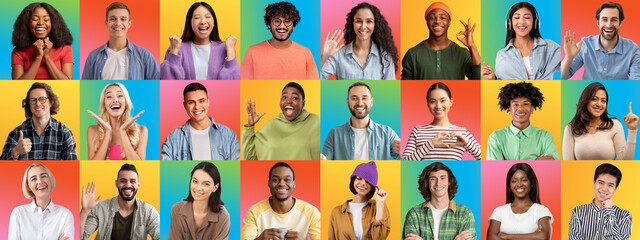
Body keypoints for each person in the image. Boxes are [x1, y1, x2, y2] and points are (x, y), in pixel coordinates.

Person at [240, 162, 321, 240]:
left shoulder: (311, 212)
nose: (281, 184)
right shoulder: (254, 212)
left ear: (294, 184)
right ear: (269, 183)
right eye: (275, 180)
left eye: (287, 179)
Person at [160, 2, 240, 80]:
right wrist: (174, 50)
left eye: (208, 17)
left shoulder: (225, 48)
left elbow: (234, 82)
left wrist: (230, 50)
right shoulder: (177, 47)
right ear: (189, 22)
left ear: (214, 22)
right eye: (197, 18)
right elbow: (167, 81)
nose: (203, 22)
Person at [401, 1, 480, 80]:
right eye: (432, 18)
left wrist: (472, 46)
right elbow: (405, 88)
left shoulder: (462, 53)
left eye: (442, 18)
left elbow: (478, 80)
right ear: (427, 22)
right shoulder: (413, 54)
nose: (437, 21)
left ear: (449, 22)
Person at [481, 2, 560, 80]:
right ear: (509, 23)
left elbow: (568, 70)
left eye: (527, 17)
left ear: (535, 22)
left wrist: (570, 56)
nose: (521, 22)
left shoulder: (549, 47)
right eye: (516, 18)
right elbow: (501, 86)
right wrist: (492, 78)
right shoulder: (502, 55)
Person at [561, 2, 640, 80]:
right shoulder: (585, 44)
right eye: (604, 19)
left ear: (620, 23)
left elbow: (636, 81)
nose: (609, 25)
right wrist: (568, 57)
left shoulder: (632, 49)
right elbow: (561, 77)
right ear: (598, 23)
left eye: (614, 20)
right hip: (589, 92)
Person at [322, 82, 401, 160]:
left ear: (371, 102)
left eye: (364, 98)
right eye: (354, 98)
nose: (360, 103)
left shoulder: (387, 133)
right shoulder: (334, 134)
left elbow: (404, 158)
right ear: (347, 102)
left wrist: (405, 151)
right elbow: (325, 163)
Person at [240, 1, 319, 80]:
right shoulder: (253, 51)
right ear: (269, 24)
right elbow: (243, 86)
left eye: (287, 21)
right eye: (277, 21)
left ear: (293, 25)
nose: (282, 26)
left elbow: (313, 87)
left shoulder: (305, 53)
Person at [80, 163, 160, 240]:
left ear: (138, 185)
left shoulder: (149, 211)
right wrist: (85, 211)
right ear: (116, 183)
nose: (128, 185)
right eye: (123, 181)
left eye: (132, 181)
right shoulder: (100, 208)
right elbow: (80, 237)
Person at [402, 82, 481, 160]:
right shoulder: (418, 131)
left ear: (451, 102)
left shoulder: (462, 132)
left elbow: (487, 158)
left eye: (443, 100)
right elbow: (404, 162)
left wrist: (467, 144)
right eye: (433, 101)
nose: (438, 106)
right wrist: (431, 143)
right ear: (427, 104)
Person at [82, 2, 160, 80]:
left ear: (129, 23)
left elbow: (158, 87)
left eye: (123, 19)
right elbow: (85, 88)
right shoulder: (93, 56)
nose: (118, 23)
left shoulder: (145, 56)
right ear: (106, 23)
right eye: (113, 19)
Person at [162, 82, 240, 160]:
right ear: (185, 105)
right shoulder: (173, 138)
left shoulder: (228, 135)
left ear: (208, 102)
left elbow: (236, 169)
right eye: (191, 102)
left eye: (201, 101)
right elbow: (167, 170)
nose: (197, 107)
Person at [320, 2, 398, 80]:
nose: (363, 27)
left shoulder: (385, 56)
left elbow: (391, 91)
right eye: (359, 21)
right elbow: (314, 82)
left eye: (369, 21)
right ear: (352, 24)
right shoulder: (338, 55)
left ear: (375, 25)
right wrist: (323, 58)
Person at [243, 82, 320, 160]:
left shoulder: (315, 121)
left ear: (303, 103)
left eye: (295, 98)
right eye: (284, 97)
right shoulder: (271, 125)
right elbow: (250, 159)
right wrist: (250, 126)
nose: (288, 101)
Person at [1, 82, 77, 160]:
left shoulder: (64, 133)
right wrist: (15, 152)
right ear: (29, 104)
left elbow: (72, 169)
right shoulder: (16, 134)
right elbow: (2, 169)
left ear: (51, 102)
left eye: (42, 99)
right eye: (33, 100)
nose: (37, 103)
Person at [563, 82, 638, 160]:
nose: (599, 104)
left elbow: (625, 160)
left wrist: (632, 130)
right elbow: (568, 165)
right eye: (594, 99)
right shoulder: (571, 128)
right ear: (585, 101)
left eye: (603, 101)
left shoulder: (615, 125)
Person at [403, 162, 476, 240]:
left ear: (449, 182)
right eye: (433, 179)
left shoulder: (465, 213)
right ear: (427, 183)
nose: (438, 183)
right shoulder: (414, 214)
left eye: (442, 178)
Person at [486, 82, 558, 160]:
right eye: (516, 104)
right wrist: (536, 163)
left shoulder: (545, 137)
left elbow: (553, 166)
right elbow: (494, 169)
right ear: (509, 108)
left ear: (532, 108)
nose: (520, 108)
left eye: (526, 104)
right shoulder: (496, 137)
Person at [8, 163, 74, 240]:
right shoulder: (19, 213)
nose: (40, 181)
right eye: (33, 179)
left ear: (50, 180)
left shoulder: (65, 215)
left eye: (43, 176)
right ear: (28, 186)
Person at [487, 163, 552, 240]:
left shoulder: (541, 210)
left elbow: (543, 237)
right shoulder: (499, 211)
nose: (519, 184)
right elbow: (491, 238)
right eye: (514, 181)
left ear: (531, 183)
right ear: (510, 185)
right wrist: (534, 235)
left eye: (524, 180)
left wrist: (507, 236)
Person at [328, 161, 390, 240]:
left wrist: (380, 203)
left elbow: (379, 238)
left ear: (373, 186)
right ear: (353, 180)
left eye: (368, 180)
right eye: (359, 178)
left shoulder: (378, 206)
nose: (363, 183)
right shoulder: (336, 212)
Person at [11, 2, 74, 80]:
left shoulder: (65, 48)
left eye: (46, 19)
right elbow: (17, 86)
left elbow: (67, 84)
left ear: (53, 23)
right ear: (27, 23)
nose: (40, 23)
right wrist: (38, 57)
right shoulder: (18, 52)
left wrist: (47, 57)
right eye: (35, 19)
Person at [568, 163, 631, 239]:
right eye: (601, 183)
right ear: (594, 183)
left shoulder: (624, 216)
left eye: (610, 185)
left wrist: (609, 212)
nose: (604, 188)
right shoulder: (578, 212)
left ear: (615, 188)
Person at [169, 162, 230, 240]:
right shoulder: (176, 209)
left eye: (206, 184)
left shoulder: (223, 217)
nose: (198, 188)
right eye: (195, 181)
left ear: (215, 187)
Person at [87, 83, 148, 160]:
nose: (115, 100)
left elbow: (140, 167)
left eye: (120, 96)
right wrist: (107, 132)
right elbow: (91, 168)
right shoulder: (92, 131)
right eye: (109, 97)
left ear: (125, 102)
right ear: (104, 104)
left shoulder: (141, 130)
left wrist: (123, 132)